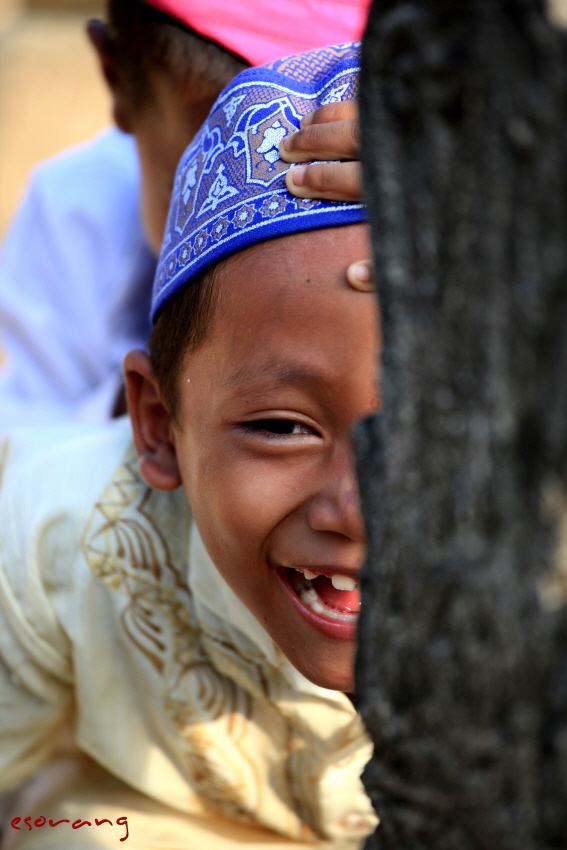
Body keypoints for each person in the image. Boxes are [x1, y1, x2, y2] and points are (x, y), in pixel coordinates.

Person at [0, 44, 379, 849]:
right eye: (281, 427)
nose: (357, 509)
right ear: (159, 425)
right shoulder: (55, 542)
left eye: (429, 430)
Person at [0, 0, 370, 430]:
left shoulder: (443, 188)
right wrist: (185, 397)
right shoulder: (77, 214)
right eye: (218, 182)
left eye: (335, 171)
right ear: (118, 79)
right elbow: (24, 450)